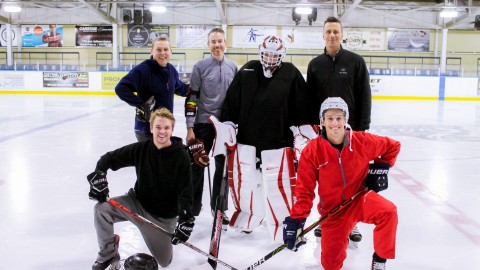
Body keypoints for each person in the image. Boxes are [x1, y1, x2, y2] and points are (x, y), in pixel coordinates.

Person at [283, 97, 400, 270]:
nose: (335, 123)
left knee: (388, 212)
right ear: (322, 121)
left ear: (346, 119)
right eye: (329, 118)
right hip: (333, 212)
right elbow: (305, 191)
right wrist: (297, 220)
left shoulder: (362, 141)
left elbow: (393, 146)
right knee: (331, 265)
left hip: (359, 200)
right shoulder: (312, 151)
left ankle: (380, 261)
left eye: (339, 118)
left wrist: (381, 168)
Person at [218, 35, 311, 241]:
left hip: (278, 142)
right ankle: (249, 216)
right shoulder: (248, 70)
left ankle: (285, 224)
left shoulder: (291, 73)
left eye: (274, 54)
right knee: (246, 184)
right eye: (267, 53)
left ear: (281, 55)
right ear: (261, 52)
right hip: (247, 140)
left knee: (280, 187)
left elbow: (302, 105)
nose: (270, 58)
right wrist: (228, 123)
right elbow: (232, 101)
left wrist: (302, 132)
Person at [87, 108, 195, 270]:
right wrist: (99, 175)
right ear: (151, 128)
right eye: (158, 127)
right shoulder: (142, 149)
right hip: (136, 204)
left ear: (172, 130)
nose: (162, 132)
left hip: (161, 219)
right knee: (102, 209)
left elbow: (186, 192)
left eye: (166, 128)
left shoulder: (181, 156)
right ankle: (108, 254)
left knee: (165, 261)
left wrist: (186, 220)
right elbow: (108, 159)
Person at [307, 16, 372, 241]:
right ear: (323, 35)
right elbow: (310, 99)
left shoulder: (355, 61)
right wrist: (312, 129)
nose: (332, 35)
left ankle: (352, 223)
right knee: (326, 179)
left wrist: (363, 129)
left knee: (352, 179)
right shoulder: (315, 65)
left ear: (341, 34)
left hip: (350, 132)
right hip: (324, 132)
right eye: (328, 32)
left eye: (336, 31)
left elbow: (365, 96)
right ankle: (325, 219)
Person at [184, 28, 237, 224]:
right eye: (213, 42)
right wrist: (190, 127)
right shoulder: (200, 67)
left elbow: (236, 99)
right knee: (197, 166)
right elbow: (192, 98)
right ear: (208, 45)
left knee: (222, 169)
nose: (217, 45)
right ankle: (191, 210)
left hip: (225, 126)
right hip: (203, 124)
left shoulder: (233, 67)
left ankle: (219, 210)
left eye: (220, 41)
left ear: (225, 43)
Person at [116, 36, 189, 142]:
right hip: (146, 129)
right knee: (150, 158)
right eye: (158, 50)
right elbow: (121, 88)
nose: (162, 53)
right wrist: (142, 104)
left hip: (164, 127)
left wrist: (194, 90)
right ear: (152, 51)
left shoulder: (171, 70)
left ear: (171, 51)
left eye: (166, 49)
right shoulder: (144, 69)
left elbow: (179, 87)